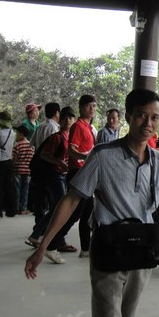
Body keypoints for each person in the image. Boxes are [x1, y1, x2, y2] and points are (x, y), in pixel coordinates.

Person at [25, 89, 159, 317]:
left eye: (154, 117)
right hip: (109, 251)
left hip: (143, 253)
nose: (148, 123)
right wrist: (44, 245)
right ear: (128, 116)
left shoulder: (158, 161)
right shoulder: (102, 155)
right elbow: (72, 198)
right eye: (141, 116)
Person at [25, 107, 77, 254]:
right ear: (59, 120)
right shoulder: (57, 137)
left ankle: (36, 235)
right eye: (64, 117)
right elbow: (44, 154)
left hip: (59, 176)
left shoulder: (68, 138)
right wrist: (60, 163)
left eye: (70, 118)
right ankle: (58, 241)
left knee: (56, 208)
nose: (67, 120)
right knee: (61, 209)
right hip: (54, 176)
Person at [68, 94, 97, 257]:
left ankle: (85, 249)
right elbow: (71, 151)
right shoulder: (78, 126)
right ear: (81, 107)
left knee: (87, 214)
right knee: (73, 213)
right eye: (88, 106)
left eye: (94, 106)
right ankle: (53, 244)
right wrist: (86, 157)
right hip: (77, 173)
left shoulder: (88, 127)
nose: (92, 109)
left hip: (86, 173)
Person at [12, 124, 35, 214]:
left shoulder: (17, 145)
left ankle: (15, 208)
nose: (16, 134)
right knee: (25, 190)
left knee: (16, 190)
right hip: (28, 171)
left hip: (18, 170)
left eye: (17, 133)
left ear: (21, 134)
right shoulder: (31, 146)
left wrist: (12, 168)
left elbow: (14, 159)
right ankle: (23, 208)